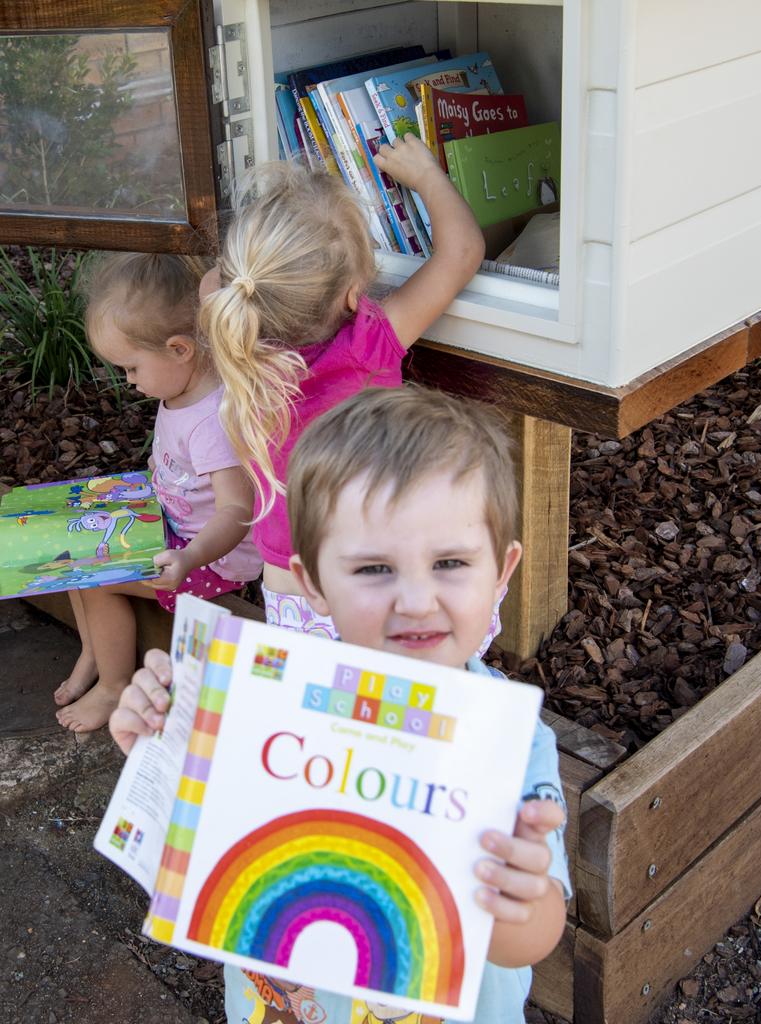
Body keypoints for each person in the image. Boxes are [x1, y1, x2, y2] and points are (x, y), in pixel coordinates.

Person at [110, 385, 571, 1024]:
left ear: (501, 570)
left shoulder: (508, 738)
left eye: (450, 562)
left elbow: (536, 937)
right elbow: (192, 844)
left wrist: (515, 897)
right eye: (374, 569)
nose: (414, 599)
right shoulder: (263, 701)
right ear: (313, 584)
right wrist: (160, 746)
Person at [196, 133, 487, 642]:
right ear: (355, 295)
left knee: (325, 714)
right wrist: (426, 177)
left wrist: (258, 266)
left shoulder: (235, 344)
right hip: (373, 581)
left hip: (291, 589)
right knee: (391, 704)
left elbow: (218, 284)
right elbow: (462, 252)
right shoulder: (368, 344)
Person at [55, 253, 263, 733]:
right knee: (72, 549)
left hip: (208, 559)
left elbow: (237, 510)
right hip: (173, 524)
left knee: (96, 577)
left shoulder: (212, 419)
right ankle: (94, 652)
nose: (128, 382)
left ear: (180, 349)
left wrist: (190, 559)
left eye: (130, 368)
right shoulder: (179, 388)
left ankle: (113, 684)